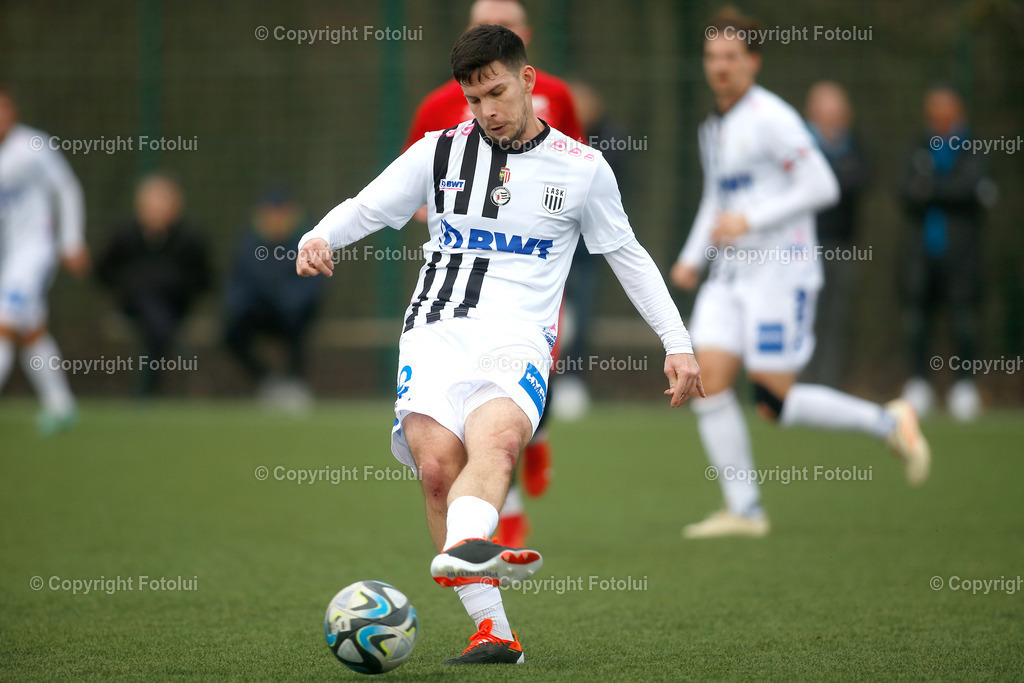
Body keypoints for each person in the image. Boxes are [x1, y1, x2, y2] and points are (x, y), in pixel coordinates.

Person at [297, 25, 703, 665]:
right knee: (436, 470)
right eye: (473, 98)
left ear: (528, 80)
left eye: (496, 92)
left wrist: (676, 342)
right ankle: (494, 631)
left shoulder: (582, 169)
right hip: (435, 331)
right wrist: (319, 236)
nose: (487, 109)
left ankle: (463, 549)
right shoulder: (438, 153)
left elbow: (627, 255)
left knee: (499, 441)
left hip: (518, 338)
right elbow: (368, 207)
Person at [670, 8, 930, 539]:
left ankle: (889, 422)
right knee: (707, 381)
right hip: (730, 275)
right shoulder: (712, 127)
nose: (720, 66)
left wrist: (751, 220)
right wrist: (693, 256)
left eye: (731, 56)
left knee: (774, 401)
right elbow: (717, 198)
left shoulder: (773, 117)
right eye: (712, 56)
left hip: (779, 274)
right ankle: (744, 510)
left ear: (754, 61)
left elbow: (822, 186)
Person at [404, 0, 585, 548]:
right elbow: (410, 180)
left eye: (507, 24)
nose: (486, 107)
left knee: (531, 372)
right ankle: (501, 515)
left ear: (524, 38)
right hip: (461, 277)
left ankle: (537, 437)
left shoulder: (558, 95)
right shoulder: (439, 105)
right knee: (462, 423)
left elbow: (577, 163)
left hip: (530, 268)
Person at [0, 85, 88, 434]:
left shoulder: (33, 146)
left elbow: (66, 187)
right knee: (31, 330)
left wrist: (71, 240)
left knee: (4, 322)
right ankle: (61, 405)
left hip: (35, 250)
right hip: (9, 256)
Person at [899, 87, 991, 421]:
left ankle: (964, 386)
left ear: (957, 112)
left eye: (944, 109)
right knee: (917, 320)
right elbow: (904, 191)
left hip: (962, 256)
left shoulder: (973, 147)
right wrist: (945, 189)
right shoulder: (917, 145)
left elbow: (973, 190)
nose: (938, 116)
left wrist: (931, 188)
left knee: (963, 321)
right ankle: (919, 384)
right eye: (933, 110)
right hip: (922, 254)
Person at [550, 79, 632, 420]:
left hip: (585, 252)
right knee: (548, 314)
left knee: (580, 318)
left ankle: (573, 381)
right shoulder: (550, 138)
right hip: (552, 249)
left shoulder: (609, 141)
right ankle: (542, 378)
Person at [96, 174, 211, 395]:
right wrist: (127, 286)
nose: (158, 209)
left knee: (157, 318)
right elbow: (104, 272)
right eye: (153, 203)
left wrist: (175, 286)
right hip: (134, 306)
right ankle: (154, 383)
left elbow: (203, 279)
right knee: (148, 303)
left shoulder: (189, 239)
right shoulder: (125, 236)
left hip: (175, 306)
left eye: (164, 203)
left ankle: (148, 390)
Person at [224, 187, 323, 411]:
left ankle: (295, 383)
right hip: (257, 312)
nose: (277, 219)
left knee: (298, 325)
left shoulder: (307, 241)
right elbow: (237, 285)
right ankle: (268, 381)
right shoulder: (248, 243)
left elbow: (312, 286)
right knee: (230, 333)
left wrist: (285, 302)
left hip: (291, 314)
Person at [800, 81, 869, 389]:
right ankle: (797, 385)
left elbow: (856, 181)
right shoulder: (797, 144)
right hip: (800, 249)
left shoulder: (855, 147)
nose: (831, 116)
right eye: (825, 109)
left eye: (836, 109)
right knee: (802, 319)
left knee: (835, 323)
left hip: (841, 247)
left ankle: (826, 387)